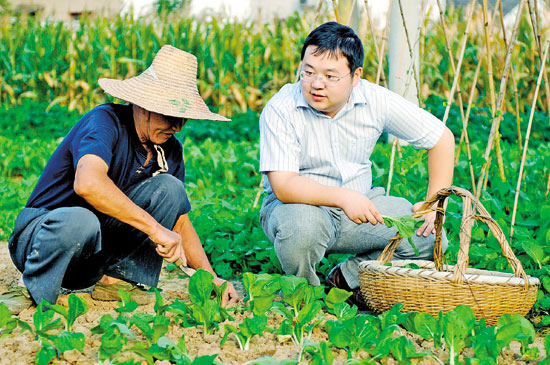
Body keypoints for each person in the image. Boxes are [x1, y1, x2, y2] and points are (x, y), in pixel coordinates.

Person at [2, 45, 239, 314]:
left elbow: (179, 221)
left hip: (91, 256)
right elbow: (87, 184)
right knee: (82, 219)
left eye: (182, 117)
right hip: (42, 240)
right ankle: (29, 286)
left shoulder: (169, 148)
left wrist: (210, 277)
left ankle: (117, 281)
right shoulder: (104, 122)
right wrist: (155, 229)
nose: (177, 126)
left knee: (171, 189)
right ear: (142, 104)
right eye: (169, 115)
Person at [259, 22, 455, 309]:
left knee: (427, 237)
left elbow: (442, 139)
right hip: (297, 207)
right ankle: (306, 295)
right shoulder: (281, 108)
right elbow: (285, 185)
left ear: (355, 76)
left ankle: (345, 278)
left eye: (330, 76)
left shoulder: (375, 100)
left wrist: (434, 205)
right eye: (308, 72)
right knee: (301, 230)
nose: (316, 83)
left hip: (359, 207)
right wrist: (343, 197)